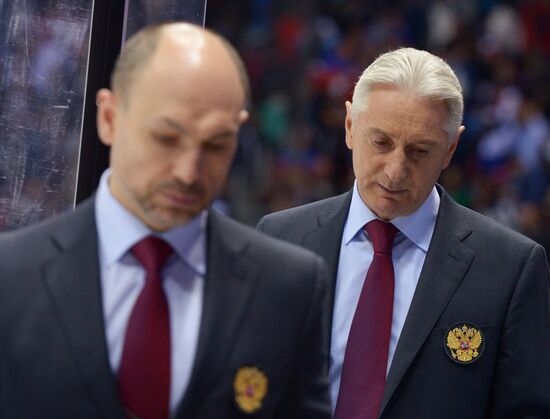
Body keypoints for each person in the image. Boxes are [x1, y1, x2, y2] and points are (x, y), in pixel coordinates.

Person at [0, 23, 332, 419]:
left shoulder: (288, 287)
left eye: (215, 144)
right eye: (166, 138)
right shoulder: (11, 278)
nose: (188, 171)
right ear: (108, 117)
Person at [258, 47, 550, 419]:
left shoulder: (510, 267)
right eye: (381, 143)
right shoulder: (279, 239)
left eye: (419, 151)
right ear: (350, 127)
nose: (395, 170)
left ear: (450, 149)